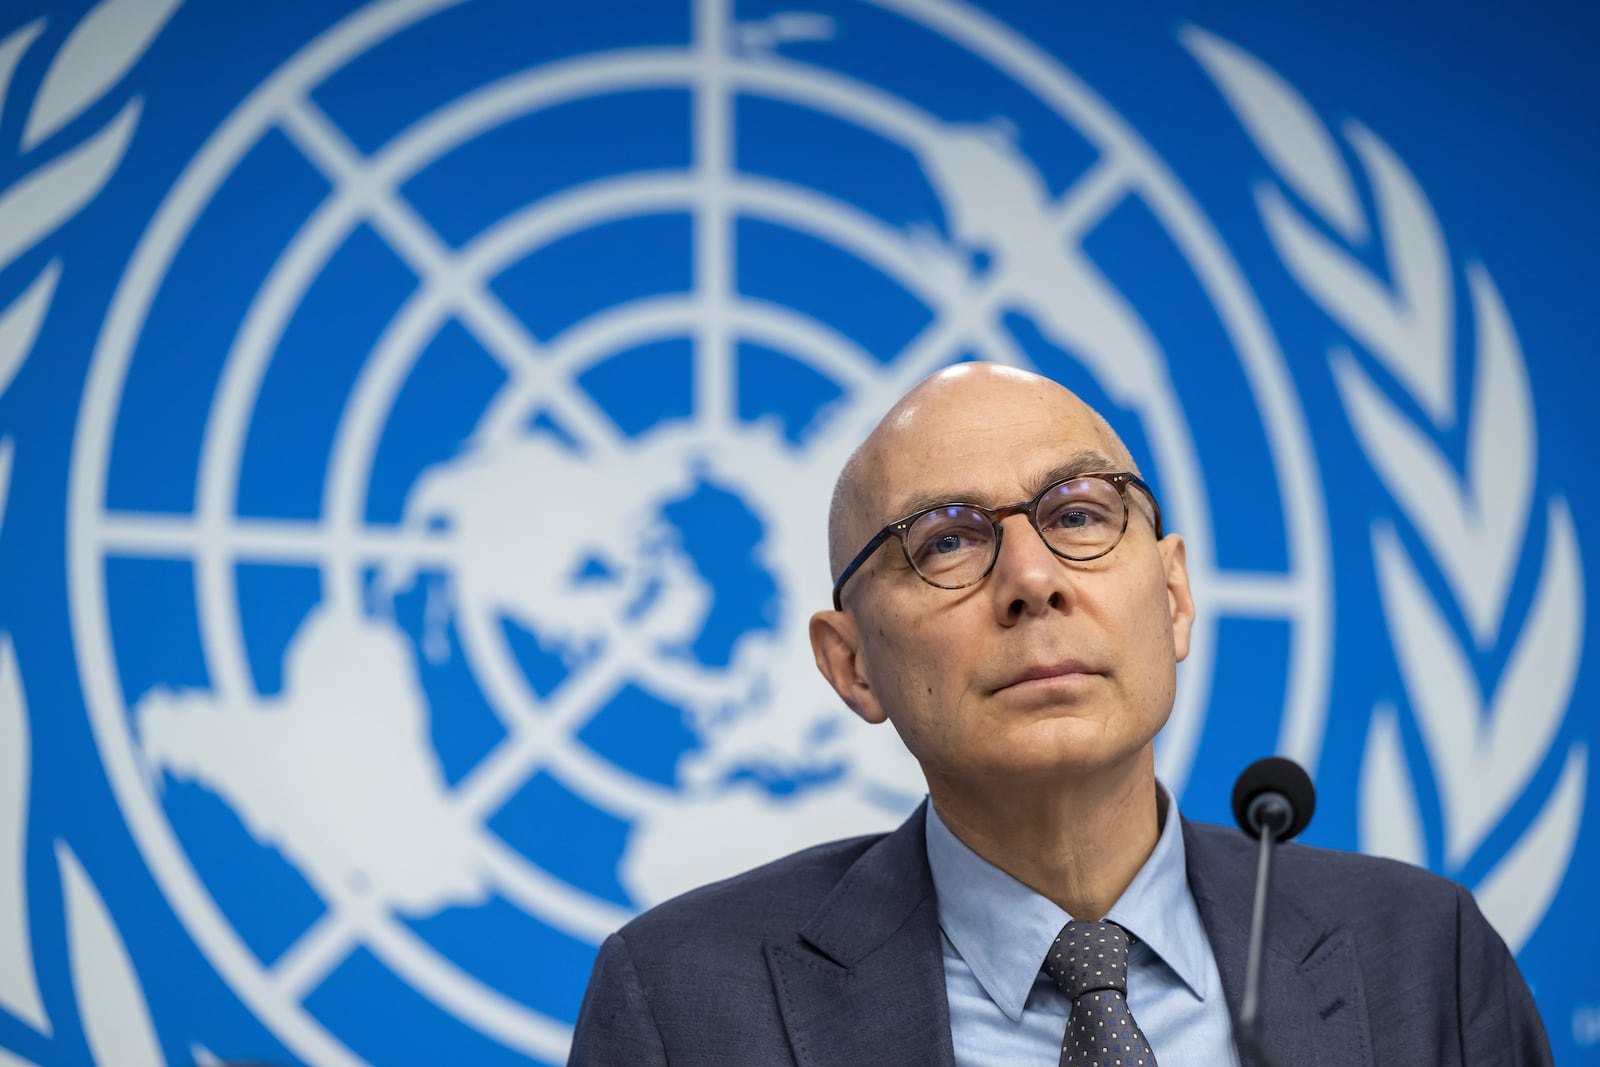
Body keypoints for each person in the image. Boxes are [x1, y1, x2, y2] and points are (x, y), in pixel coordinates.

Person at [567, 363, 1551, 1066]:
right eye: (946, 541)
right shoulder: (684, 1003)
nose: (1031, 580)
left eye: (1079, 514)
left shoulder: (1423, 954)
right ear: (851, 662)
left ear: (1171, 595)